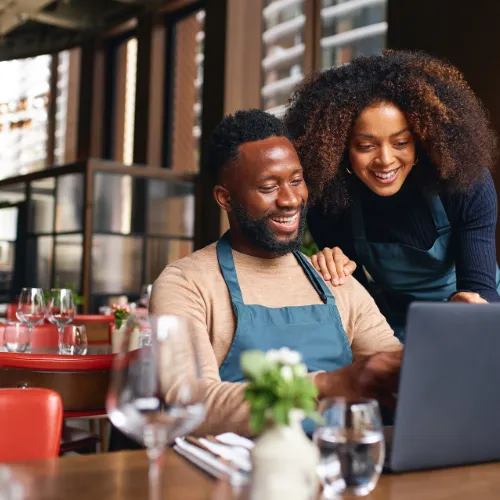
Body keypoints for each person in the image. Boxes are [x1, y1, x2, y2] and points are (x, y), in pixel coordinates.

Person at [150, 109, 401, 436]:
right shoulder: (185, 283)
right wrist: (325, 385)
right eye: (269, 187)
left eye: (296, 181)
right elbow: (189, 400)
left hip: (339, 466)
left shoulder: (333, 277)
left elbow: (394, 368)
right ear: (225, 198)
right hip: (234, 478)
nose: (291, 199)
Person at [285, 50, 500, 341]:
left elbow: (480, 289)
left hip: (475, 313)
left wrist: (471, 307)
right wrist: (332, 270)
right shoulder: (329, 203)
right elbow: (356, 305)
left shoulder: (463, 184)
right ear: (340, 149)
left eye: (400, 142)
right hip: (397, 323)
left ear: (422, 140)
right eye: (366, 146)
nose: (386, 160)